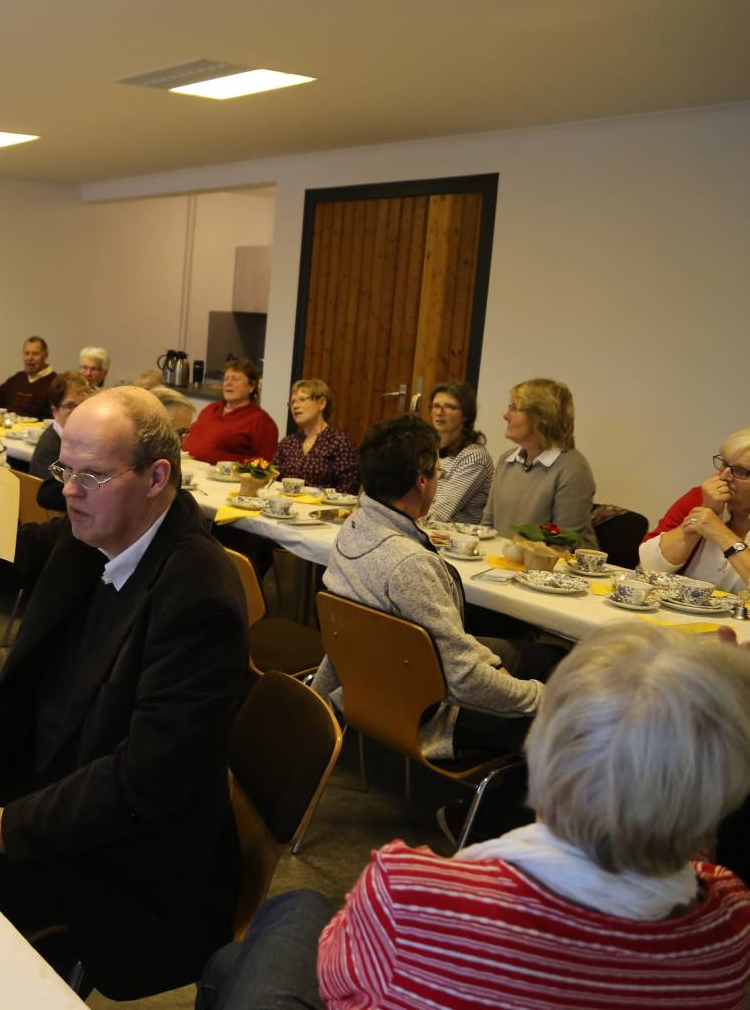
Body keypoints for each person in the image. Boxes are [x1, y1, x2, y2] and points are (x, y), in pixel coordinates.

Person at [202, 624, 750, 1010]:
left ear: (542, 746)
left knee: (287, 916)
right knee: (229, 965)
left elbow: (340, 987)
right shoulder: (729, 917)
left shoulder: (414, 892)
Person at [0, 387, 250, 1000]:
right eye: (65, 470)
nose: (67, 490)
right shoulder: (91, 529)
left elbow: (149, 778)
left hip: (129, 856)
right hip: (46, 783)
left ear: (156, 477)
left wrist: (21, 823)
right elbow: (5, 557)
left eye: (91, 475)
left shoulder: (197, 592)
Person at [313, 415, 556, 761]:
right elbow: (464, 680)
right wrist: (543, 699)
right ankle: (480, 811)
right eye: (439, 473)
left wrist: (492, 664)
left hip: (372, 682)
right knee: (567, 720)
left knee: (545, 657)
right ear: (422, 481)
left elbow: (446, 644)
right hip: (419, 708)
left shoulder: (354, 527)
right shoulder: (408, 563)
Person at [484, 378, 598, 547]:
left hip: (550, 569)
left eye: (514, 408)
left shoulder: (573, 469)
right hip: (504, 564)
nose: (506, 416)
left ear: (542, 417)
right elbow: (488, 526)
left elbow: (564, 544)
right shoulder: (507, 460)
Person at [639, 427, 750, 591]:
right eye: (724, 464)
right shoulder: (701, 497)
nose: (724, 476)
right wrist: (706, 510)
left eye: (740, 471)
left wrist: (721, 534)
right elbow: (649, 567)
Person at [183, 358, 278, 465]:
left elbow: (262, 466)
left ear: (251, 386)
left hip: (227, 479)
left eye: (235, 379)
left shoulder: (262, 422)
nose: (228, 383)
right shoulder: (211, 409)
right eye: (226, 379)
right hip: (191, 470)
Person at [272, 379, 358, 493]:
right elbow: (272, 478)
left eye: (302, 400)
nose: (295, 406)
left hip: (323, 508)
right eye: (292, 402)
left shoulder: (339, 441)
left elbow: (349, 486)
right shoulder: (288, 442)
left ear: (321, 403)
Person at [427, 379, 492, 523]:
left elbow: (438, 515)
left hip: (457, 541)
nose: (439, 412)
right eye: (436, 406)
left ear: (466, 415)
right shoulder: (427, 449)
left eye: (449, 407)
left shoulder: (474, 456)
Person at [28, 371, 92, 478]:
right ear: (55, 411)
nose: (78, 411)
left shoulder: (77, 440)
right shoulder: (50, 451)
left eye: (83, 404)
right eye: (70, 406)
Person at [0, 336, 56, 418]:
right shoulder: (17, 379)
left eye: (35, 354)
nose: (30, 358)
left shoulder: (55, 383)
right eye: (27, 353)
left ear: (45, 356)